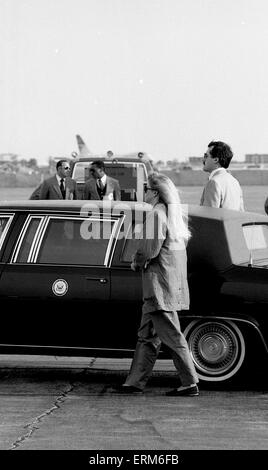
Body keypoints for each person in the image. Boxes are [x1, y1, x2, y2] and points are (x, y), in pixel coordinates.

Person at [115, 172, 199, 396]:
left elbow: (148, 249)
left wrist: (136, 262)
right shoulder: (172, 216)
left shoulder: (156, 215)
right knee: (147, 335)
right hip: (167, 284)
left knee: (172, 336)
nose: (144, 191)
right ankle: (134, 382)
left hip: (157, 286)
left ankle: (190, 382)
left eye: (146, 188)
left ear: (155, 192)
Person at [200, 141, 244, 210]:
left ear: (216, 159)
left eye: (206, 156)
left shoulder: (213, 182)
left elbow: (209, 217)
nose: (203, 159)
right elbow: (241, 213)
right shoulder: (235, 182)